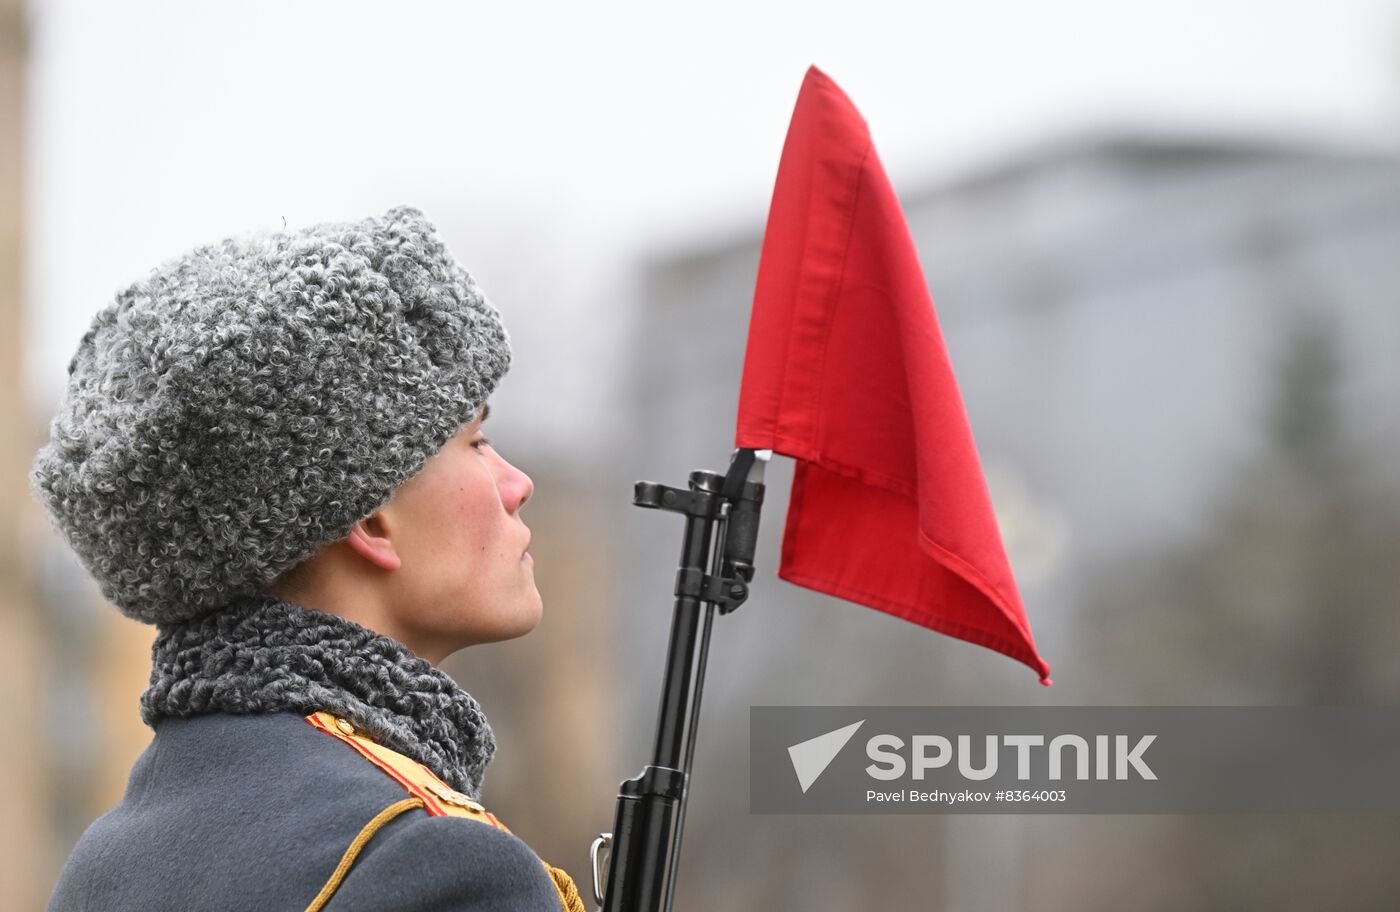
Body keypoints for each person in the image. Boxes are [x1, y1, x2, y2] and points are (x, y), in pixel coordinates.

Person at [29, 206, 586, 911]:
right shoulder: (434, 863)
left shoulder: (103, 865)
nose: (518, 484)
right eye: (474, 442)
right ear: (368, 515)